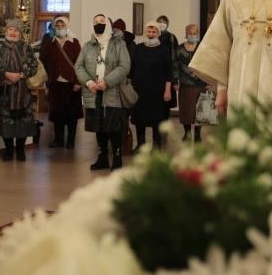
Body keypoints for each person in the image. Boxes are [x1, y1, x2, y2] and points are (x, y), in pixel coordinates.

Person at [75, 13, 130, 171]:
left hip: (112, 91)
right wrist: (88, 82)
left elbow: (124, 66)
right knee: (99, 126)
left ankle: (117, 157)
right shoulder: (88, 45)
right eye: (95, 22)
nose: (98, 24)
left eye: (101, 21)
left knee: (113, 127)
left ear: (108, 25)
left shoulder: (119, 44)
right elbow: (78, 66)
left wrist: (107, 81)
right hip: (93, 92)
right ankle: (103, 157)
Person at [0, 19, 39, 161]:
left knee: (22, 121)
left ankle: (20, 150)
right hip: (4, 92)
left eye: (16, 30)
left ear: (20, 33)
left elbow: (34, 66)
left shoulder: (26, 48)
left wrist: (20, 76)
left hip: (22, 92)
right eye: (10, 29)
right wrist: (6, 74)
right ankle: (8, 150)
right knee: (6, 121)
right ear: (6, 31)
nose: (13, 32)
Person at [39, 15, 83, 149]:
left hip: (72, 83)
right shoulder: (50, 42)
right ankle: (58, 139)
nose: (59, 28)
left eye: (62, 25)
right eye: (57, 26)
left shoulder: (74, 42)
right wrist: (47, 80)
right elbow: (43, 60)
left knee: (72, 113)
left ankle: (70, 140)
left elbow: (80, 63)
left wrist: (78, 82)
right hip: (55, 83)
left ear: (67, 26)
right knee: (57, 112)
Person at [130, 22, 173, 151]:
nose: (151, 34)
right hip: (139, 90)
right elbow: (132, 69)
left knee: (157, 119)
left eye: (154, 32)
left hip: (157, 91)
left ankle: (157, 145)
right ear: (145, 32)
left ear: (158, 33)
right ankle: (141, 144)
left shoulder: (164, 49)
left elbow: (169, 73)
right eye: (149, 31)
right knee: (139, 118)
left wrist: (167, 91)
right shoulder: (138, 48)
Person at [177, 23, 208, 142]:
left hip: (201, 84)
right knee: (186, 110)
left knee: (200, 111)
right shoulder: (180, 48)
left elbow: (207, 64)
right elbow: (175, 65)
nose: (192, 35)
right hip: (185, 85)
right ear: (186, 34)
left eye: (194, 33)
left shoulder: (202, 48)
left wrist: (208, 81)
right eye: (190, 33)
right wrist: (175, 81)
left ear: (197, 34)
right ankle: (187, 133)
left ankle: (197, 134)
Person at [156, 14, 179, 112]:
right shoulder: (154, 35)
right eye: (160, 22)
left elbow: (175, 58)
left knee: (166, 101)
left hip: (168, 72)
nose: (162, 24)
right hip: (156, 72)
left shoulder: (171, 37)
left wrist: (175, 79)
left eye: (164, 22)